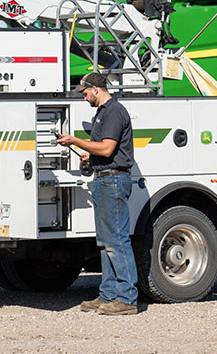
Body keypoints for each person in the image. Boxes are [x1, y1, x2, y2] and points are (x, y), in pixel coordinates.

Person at [56, 72, 139, 316]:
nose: (83, 98)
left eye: (84, 93)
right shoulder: (103, 112)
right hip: (105, 180)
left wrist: (76, 141)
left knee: (117, 242)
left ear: (95, 89)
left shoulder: (113, 111)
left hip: (113, 181)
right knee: (105, 243)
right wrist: (88, 156)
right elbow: (103, 151)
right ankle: (108, 295)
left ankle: (127, 298)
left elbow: (107, 147)